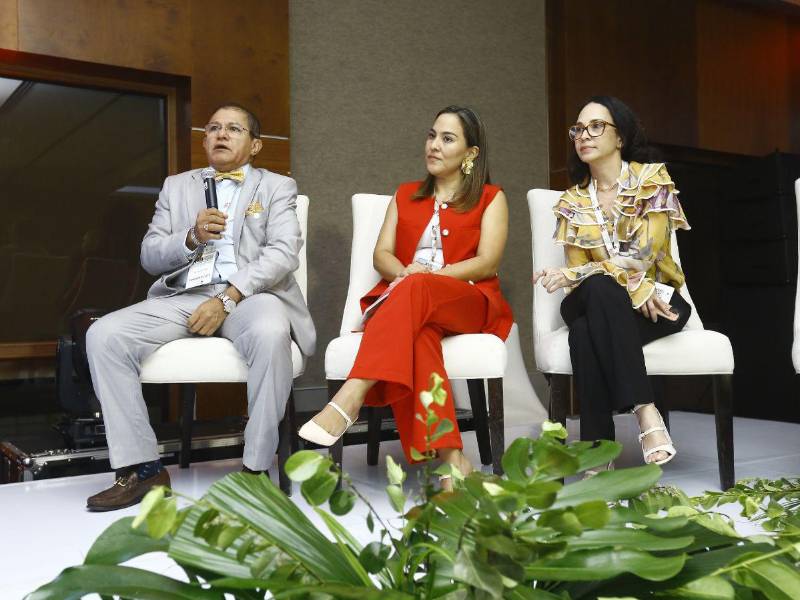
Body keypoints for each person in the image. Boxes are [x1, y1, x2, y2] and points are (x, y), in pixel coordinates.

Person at [84, 103, 315, 511]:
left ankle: (255, 473)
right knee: (104, 335)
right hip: (186, 295)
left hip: (250, 295)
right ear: (205, 139)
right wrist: (190, 237)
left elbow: (283, 253)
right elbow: (150, 254)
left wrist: (228, 299)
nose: (221, 134)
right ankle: (143, 470)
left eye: (234, 129)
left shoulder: (277, 186)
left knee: (271, 332)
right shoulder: (176, 186)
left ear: (255, 145)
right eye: (213, 128)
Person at [298, 106, 513, 487]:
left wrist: (425, 278)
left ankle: (353, 392)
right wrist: (407, 275)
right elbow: (381, 255)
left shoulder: (490, 197)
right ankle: (452, 461)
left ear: (471, 153)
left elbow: (487, 262)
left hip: (467, 301)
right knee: (420, 338)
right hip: (411, 303)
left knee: (415, 289)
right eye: (432, 135)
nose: (434, 145)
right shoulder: (404, 194)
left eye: (447, 139)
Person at [534, 95, 690, 469]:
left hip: (659, 301)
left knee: (584, 333)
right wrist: (628, 285)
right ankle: (645, 409)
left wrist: (585, 274)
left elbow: (644, 254)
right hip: (596, 297)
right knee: (599, 291)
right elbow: (581, 282)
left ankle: (596, 453)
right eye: (578, 129)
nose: (583, 135)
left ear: (620, 137)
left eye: (596, 126)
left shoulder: (652, 180)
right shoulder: (572, 201)